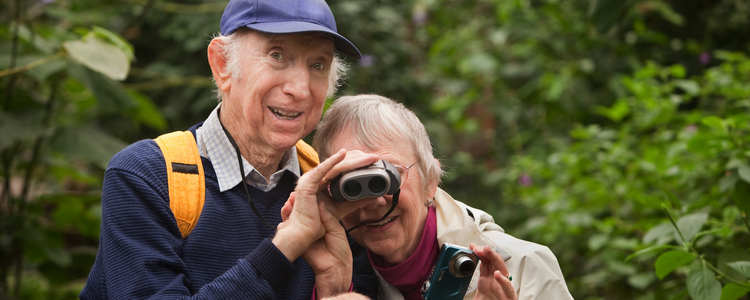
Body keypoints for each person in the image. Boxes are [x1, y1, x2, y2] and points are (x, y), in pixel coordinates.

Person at [79, 1, 379, 299]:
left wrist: (337, 287)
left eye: (318, 65)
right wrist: (286, 244)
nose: (300, 89)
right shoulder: (146, 176)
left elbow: (369, 282)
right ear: (222, 64)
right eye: (277, 56)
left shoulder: (331, 183)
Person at [311, 94, 575, 300]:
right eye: (352, 185)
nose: (374, 201)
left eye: (387, 177)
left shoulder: (524, 267)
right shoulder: (333, 274)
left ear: (430, 180)